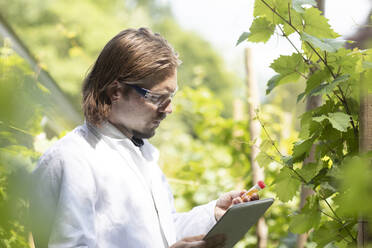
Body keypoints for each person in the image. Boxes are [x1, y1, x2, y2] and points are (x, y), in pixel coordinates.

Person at [30, 27, 258, 248]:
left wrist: (212, 215)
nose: (169, 109)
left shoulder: (143, 158)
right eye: (159, 98)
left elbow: (162, 235)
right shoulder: (72, 159)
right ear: (115, 92)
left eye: (171, 97)